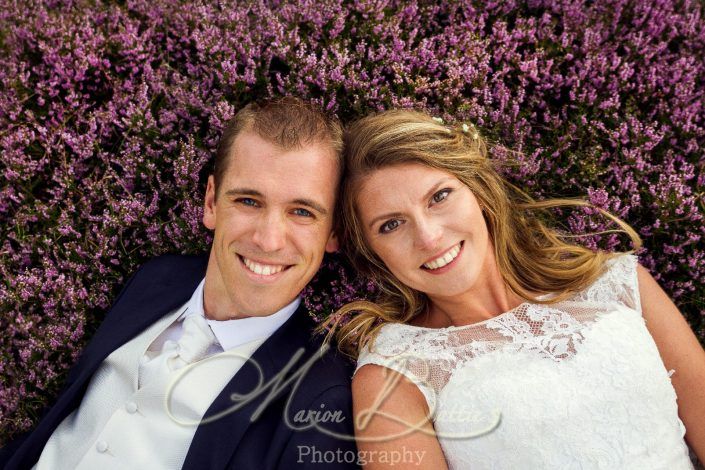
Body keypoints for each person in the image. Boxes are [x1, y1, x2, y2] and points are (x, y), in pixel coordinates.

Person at [325, 109, 705, 468]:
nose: (429, 237)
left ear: (478, 192)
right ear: (371, 252)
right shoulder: (397, 371)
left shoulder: (616, 284)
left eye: (439, 197)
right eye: (391, 225)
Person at [1, 98, 359, 470]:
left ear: (333, 231)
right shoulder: (157, 279)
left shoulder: (321, 399)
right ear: (211, 203)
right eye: (249, 201)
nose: (269, 240)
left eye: (302, 212)